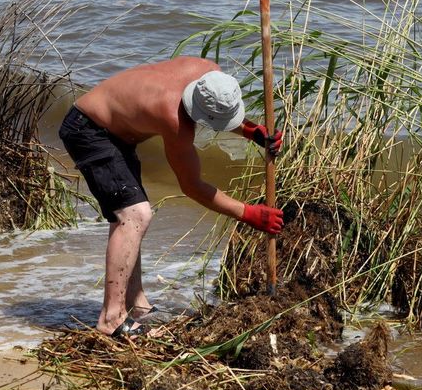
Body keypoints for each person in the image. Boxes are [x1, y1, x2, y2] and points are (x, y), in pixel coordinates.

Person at [59, 56, 284, 337]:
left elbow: (213, 108)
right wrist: (248, 213)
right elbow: (191, 186)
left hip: (117, 131)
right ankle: (111, 319)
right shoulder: (173, 118)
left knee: (131, 214)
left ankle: (136, 304)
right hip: (88, 130)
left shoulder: (209, 73)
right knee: (134, 215)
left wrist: (251, 131)